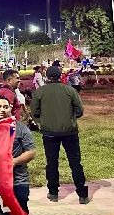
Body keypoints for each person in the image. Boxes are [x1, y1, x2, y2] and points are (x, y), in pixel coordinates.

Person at [32, 65, 89, 204]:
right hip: (70, 132)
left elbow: (34, 112)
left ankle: (53, 193)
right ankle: (82, 195)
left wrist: (43, 121)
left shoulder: (40, 92)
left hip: (49, 133)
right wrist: (70, 118)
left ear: (47, 76)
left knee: (51, 163)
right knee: (75, 163)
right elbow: (80, 110)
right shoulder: (70, 90)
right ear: (60, 76)